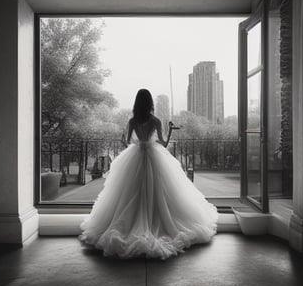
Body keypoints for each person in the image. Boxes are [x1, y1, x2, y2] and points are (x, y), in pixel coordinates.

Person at [79, 89, 218, 259]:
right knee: (160, 193)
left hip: (135, 157)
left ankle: (130, 226)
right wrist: (170, 130)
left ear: (137, 103)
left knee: (130, 193)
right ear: (150, 103)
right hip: (153, 157)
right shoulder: (155, 121)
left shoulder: (132, 121)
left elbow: (127, 142)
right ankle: (155, 225)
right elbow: (164, 143)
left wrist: (127, 139)